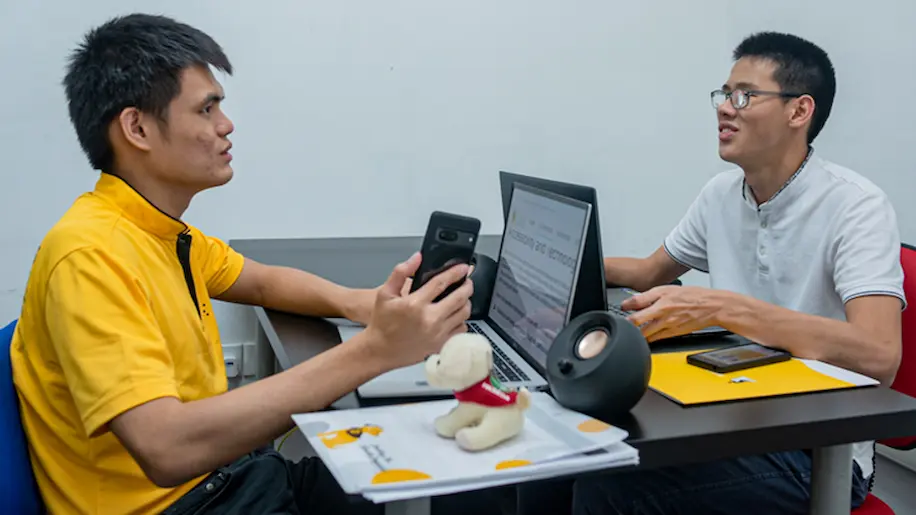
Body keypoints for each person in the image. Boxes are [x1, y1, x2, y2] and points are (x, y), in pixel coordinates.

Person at [9, 13, 487, 515]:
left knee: (397, 470)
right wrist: (377, 350)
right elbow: (166, 449)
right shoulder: (91, 255)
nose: (226, 124)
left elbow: (261, 283)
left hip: (223, 480)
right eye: (207, 107)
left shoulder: (161, 233)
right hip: (180, 504)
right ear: (138, 128)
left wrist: (361, 303)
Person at [520, 31, 905, 515]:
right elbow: (649, 272)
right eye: (724, 95)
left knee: (608, 487)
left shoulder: (856, 206)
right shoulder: (721, 194)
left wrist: (723, 308)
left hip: (818, 450)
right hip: (735, 418)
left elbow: (879, 355)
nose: (725, 108)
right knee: (555, 459)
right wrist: (560, 261)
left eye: (744, 95)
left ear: (799, 112)